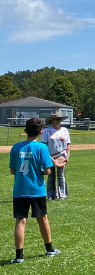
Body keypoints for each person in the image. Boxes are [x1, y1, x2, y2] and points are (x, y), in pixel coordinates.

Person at [9, 117, 60, 264]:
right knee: (42, 218)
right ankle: (49, 249)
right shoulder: (42, 148)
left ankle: (19, 256)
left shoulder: (16, 147)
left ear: (25, 131)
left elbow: (13, 171)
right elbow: (47, 171)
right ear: (41, 132)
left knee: (20, 220)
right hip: (37, 189)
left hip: (20, 190)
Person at [42, 111, 71, 200]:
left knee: (61, 175)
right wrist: (49, 157)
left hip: (62, 155)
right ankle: (50, 195)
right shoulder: (47, 131)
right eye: (56, 119)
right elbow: (44, 145)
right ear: (52, 120)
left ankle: (62, 194)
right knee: (50, 176)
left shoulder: (64, 130)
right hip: (50, 156)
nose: (58, 121)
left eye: (59, 119)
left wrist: (67, 156)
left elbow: (68, 144)